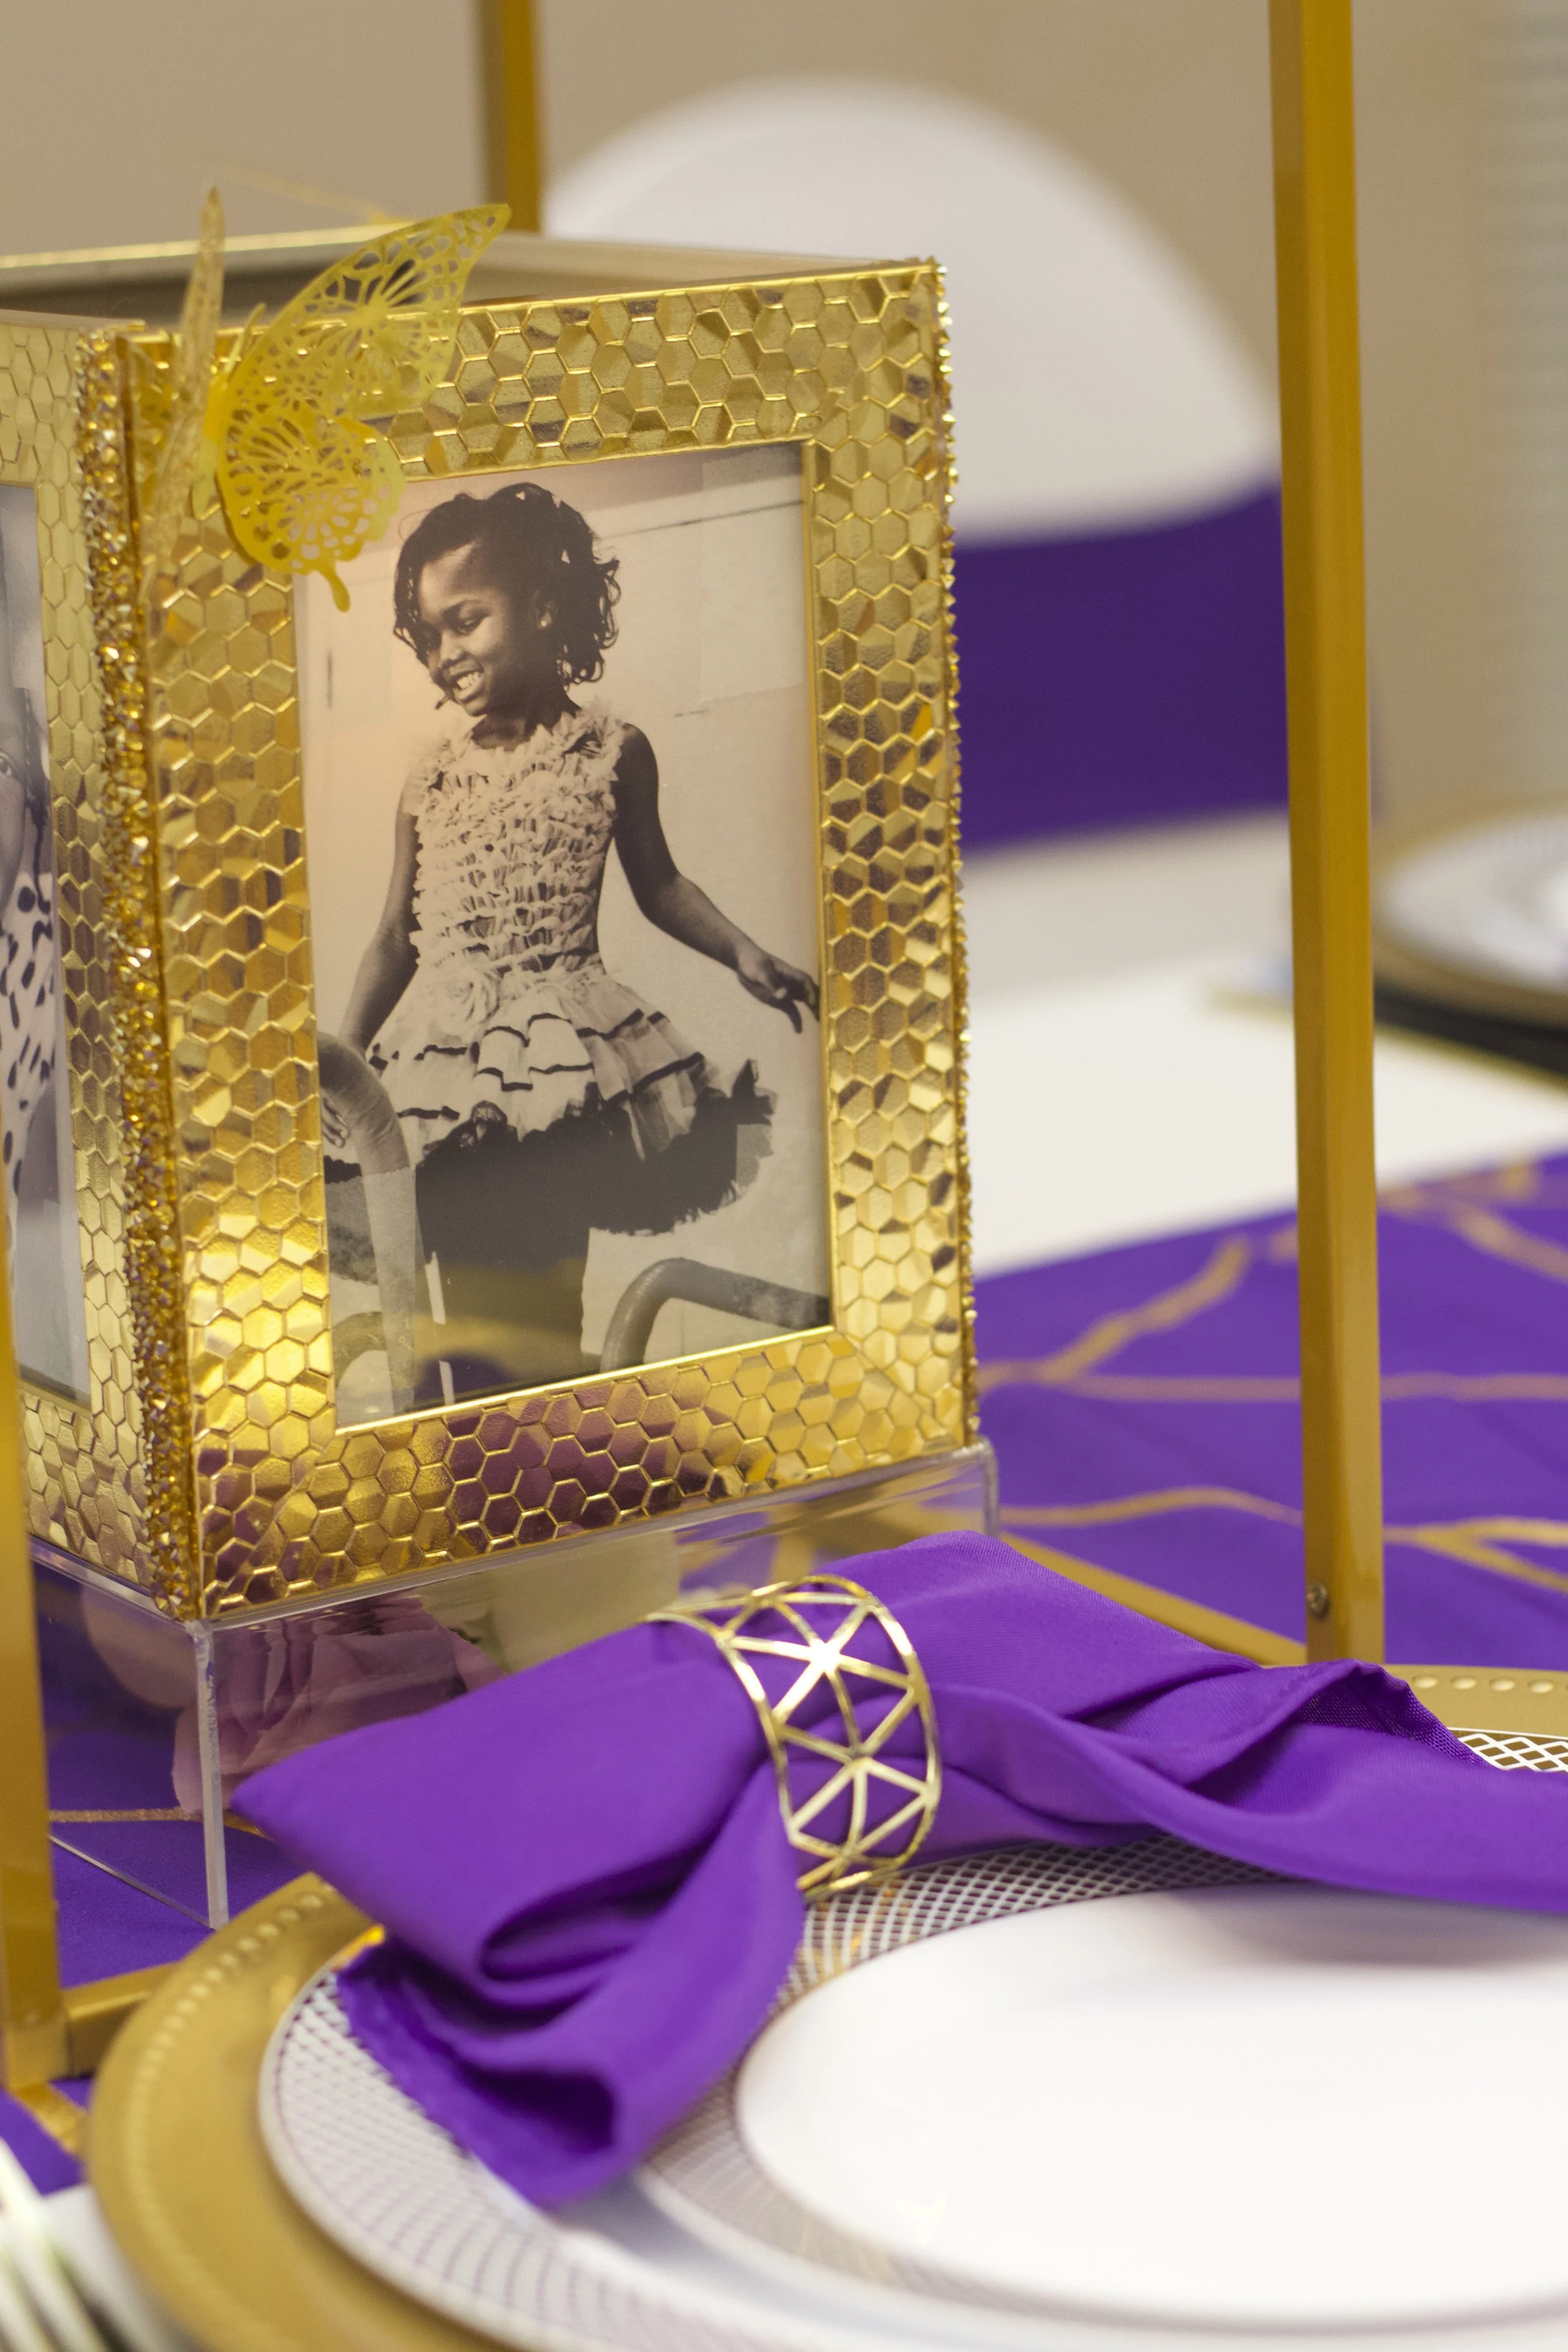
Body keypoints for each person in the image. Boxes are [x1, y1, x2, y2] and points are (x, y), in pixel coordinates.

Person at [327, 479, 818, 1404]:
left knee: (540, 1312)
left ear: (543, 606)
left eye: (465, 622)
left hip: (554, 1065)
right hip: (439, 1069)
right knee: (449, 1314)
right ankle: (476, 1461)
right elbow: (394, 937)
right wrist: (341, 1065)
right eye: (429, 635)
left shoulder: (610, 751)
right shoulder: (430, 777)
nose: (446, 654)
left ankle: (534, 1455)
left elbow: (662, 884)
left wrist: (745, 954)